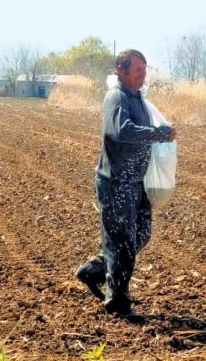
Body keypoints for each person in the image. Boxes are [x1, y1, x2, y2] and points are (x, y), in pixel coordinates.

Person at [75, 49, 176, 323]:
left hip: (136, 182)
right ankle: (118, 304)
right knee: (122, 245)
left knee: (140, 236)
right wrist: (157, 134)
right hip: (116, 182)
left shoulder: (137, 98)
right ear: (120, 68)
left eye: (145, 70)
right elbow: (120, 131)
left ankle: (94, 270)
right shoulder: (116, 97)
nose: (143, 75)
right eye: (138, 71)